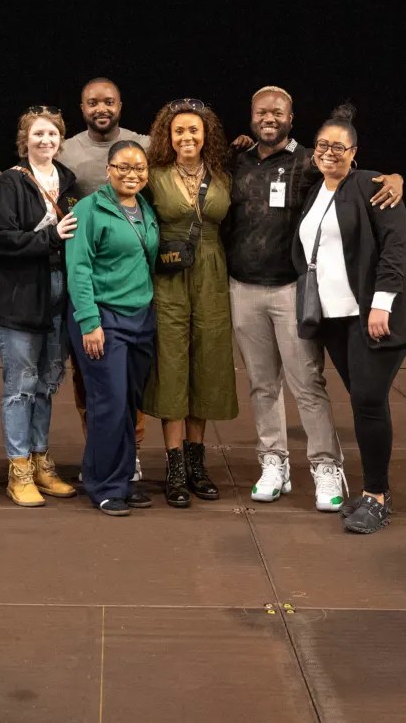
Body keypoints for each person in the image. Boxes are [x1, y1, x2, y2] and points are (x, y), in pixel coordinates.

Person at [225, 86, 403, 510]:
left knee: (307, 382)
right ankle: (273, 462)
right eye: (262, 111)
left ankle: (326, 466)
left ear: (291, 117)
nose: (270, 118)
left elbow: (359, 175)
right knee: (262, 384)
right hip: (243, 288)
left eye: (279, 112)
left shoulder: (309, 160)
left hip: (292, 291)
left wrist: (396, 178)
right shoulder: (237, 160)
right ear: (251, 116)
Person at [292, 106, 406, 535]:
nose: (329, 152)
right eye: (323, 145)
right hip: (335, 319)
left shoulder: (374, 186)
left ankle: (377, 496)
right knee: (363, 402)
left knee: (368, 401)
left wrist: (381, 304)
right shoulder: (316, 191)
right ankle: (373, 489)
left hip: (373, 316)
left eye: (339, 146)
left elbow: (395, 247)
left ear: (355, 152)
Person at [0, 108, 83, 506]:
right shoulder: (10, 182)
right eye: (38, 134)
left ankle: (41, 462)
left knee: (46, 385)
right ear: (25, 139)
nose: (46, 141)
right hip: (19, 296)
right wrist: (52, 237)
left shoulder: (69, 182)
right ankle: (18, 469)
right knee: (20, 387)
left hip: (58, 294)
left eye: (53, 134)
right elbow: (1, 239)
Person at [142, 99, 238, 507]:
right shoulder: (154, 176)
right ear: (168, 135)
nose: (186, 137)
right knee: (171, 365)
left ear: (206, 135)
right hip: (169, 277)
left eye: (194, 130)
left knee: (208, 362)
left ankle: (198, 464)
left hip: (212, 277)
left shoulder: (222, 176)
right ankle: (175, 466)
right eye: (179, 130)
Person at [63, 139, 160, 516]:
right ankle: (103, 485)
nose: (132, 174)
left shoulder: (145, 209)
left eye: (139, 168)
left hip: (140, 318)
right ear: (108, 170)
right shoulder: (90, 209)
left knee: (129, 404)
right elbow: (79, 268)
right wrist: (89, 322)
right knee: (109, 403)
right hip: (103, 318)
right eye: (123, 167)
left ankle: (122, 478)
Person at [57, 77, 152, 187]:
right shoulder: (63, 151)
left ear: (119, 106)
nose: (101, 109)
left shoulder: (146, 146)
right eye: (92, 103)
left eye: (109, 102)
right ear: (83, 108)